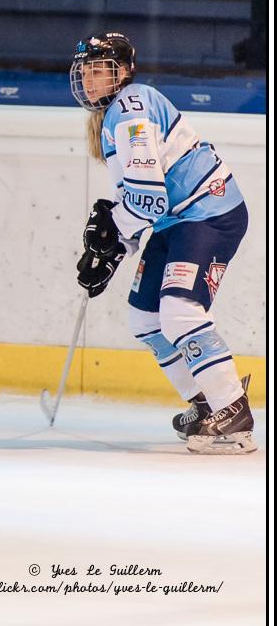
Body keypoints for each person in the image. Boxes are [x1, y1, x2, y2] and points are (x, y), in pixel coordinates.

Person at [69, 32, 254, 455]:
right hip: (178, 219)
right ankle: (207, 403)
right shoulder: (114, 115)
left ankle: (233, 410)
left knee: (178, 312)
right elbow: (138, 199)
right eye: (86, 70)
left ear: (124, 71)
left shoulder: (131, 108)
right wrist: (111, 251)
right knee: (144, 317)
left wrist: (112, 230)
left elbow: (147, 199)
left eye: (101, 70)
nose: (91, 79)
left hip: (210, 212)